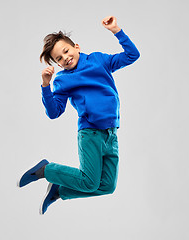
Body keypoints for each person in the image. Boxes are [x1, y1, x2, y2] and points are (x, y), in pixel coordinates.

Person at [18, 16, 140, 215]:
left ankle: (59, 191)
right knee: (89, 181)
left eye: (66, 51)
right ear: (57, 64)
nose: (65, 58)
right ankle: (46, 170)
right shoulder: (63, 80)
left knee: (107, 186)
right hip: (90, 133)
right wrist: (46, 86)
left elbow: (132, 55)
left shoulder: (99, 60)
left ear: (76, 47)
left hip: (111, 134)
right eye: (59, 59)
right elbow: (54, 112)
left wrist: (116, 30)